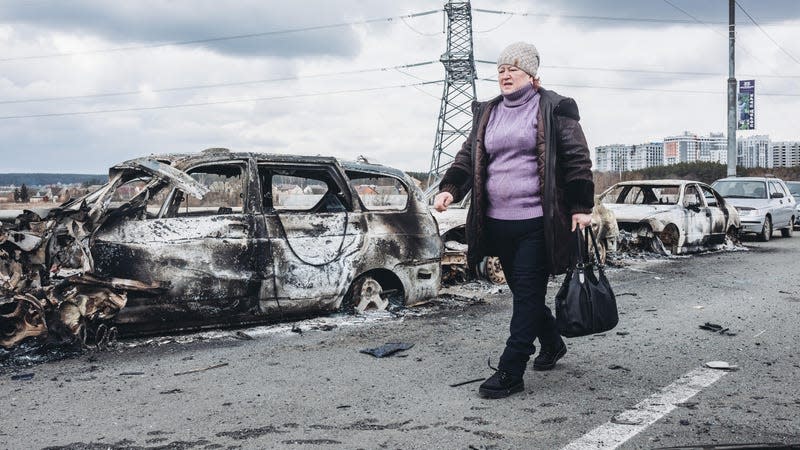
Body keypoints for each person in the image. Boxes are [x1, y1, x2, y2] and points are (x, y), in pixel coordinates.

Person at [433, 41, 594, 399]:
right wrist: (451, 189)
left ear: (532, 74)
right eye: (501, 69)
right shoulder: (488, 111)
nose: (505, 74)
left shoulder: (554, 107)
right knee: (525, 294)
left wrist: (581, 204)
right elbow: (468, 156)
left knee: (525, 298)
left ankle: (512, 369)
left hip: (538, 220)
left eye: (514, 68)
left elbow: (576, 158)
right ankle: (552, 343)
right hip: (496, 221)